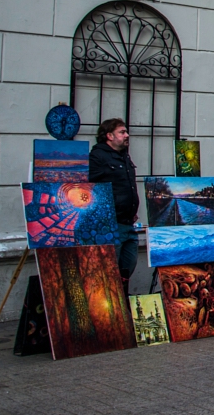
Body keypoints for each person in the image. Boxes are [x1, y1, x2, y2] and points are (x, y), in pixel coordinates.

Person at [88, 118, 139, 294]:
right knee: (109, 273)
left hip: (129, 223)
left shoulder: (124, 156)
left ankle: (121, 303)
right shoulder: (98, 156)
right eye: (122, 132)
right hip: (111, 225)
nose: (127, 135)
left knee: (128, 267)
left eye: (126, 131)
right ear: (109, 136)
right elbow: (90, 188)